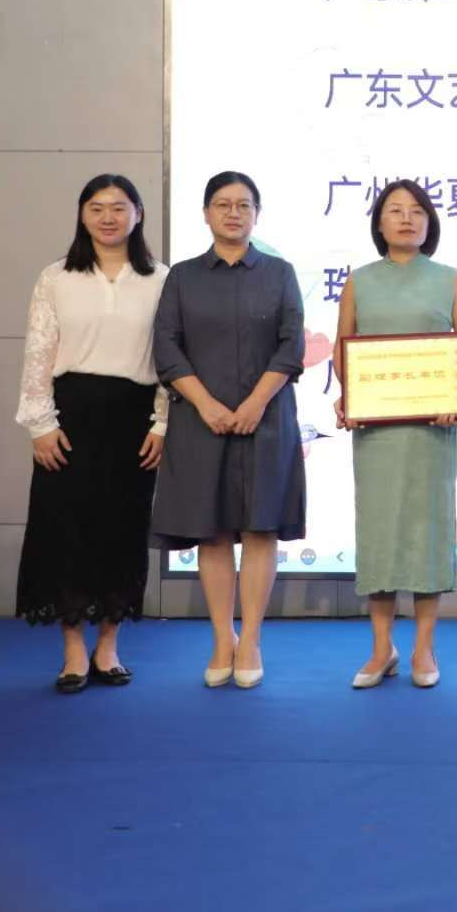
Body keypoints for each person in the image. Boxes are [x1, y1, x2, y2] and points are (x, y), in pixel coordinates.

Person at [151, 172, 306, 690]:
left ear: (257, 214)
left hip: (267, 419)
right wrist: (208, 405)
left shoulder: (280, 273)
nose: (233, 213)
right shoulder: (183, 277)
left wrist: (256, 402)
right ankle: (223, 638)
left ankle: (252, 639)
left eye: (243, 204)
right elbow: (167, 347)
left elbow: (291, 345)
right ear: (206, 213)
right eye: (223, 204)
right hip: (201, 422)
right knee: (212, 530)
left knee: (261, 529)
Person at [15, 174, 168, 693]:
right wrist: (40, 423)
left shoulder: (161, 280)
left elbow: (169, 359)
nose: (108, 217)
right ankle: (73, 651)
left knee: (122, 530)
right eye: (97, 207)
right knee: (66, 531)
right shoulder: (56, 277)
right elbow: (38, 352)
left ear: (138, 214)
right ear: (82, 215)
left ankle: (108, 645)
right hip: (70, 418)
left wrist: (163, 422)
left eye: (119, 207)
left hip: (134, 421)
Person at [334, 180, 457, 690]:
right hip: (377, 431)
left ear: (429, 222)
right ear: (379, 222)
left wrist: (450, 397)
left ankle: (423, 648)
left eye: (417, 211)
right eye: (395, 210)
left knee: (425, 532)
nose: (407, 218)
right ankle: (381, 648)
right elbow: (344, 349)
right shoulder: (359, 281)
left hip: (431, 431)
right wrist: (351, 396)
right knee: (380, 533)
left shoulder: (448, 279)